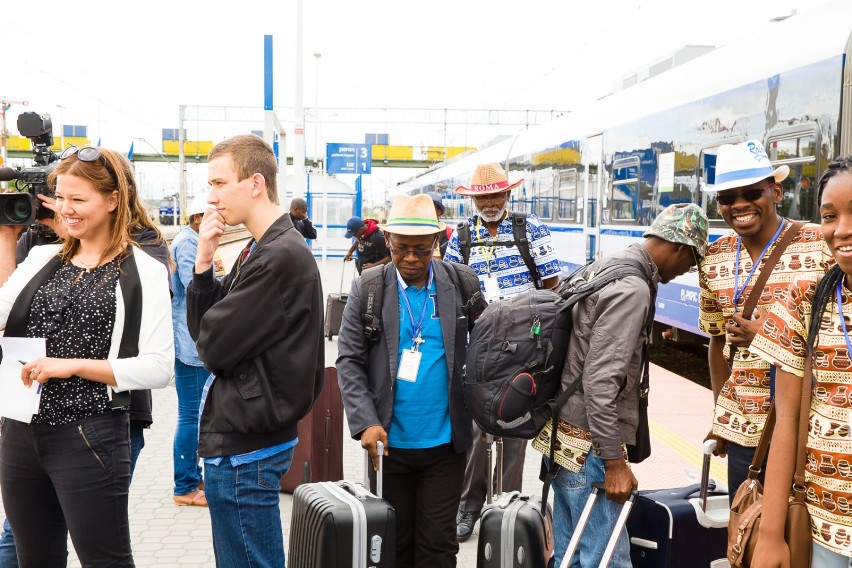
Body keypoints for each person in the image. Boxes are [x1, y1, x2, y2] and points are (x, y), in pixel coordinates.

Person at [0, 145, 174, 567]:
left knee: (105, 560)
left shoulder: (142, 270)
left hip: (90, 434)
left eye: (78, 199)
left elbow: (159, 367)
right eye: (61, 197)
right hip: (19, 431)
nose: (66, 209)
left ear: (114, 200)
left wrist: (72, 366)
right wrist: (6, 236)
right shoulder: (41, 257)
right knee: (34, 559)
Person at [187, 134, 324, 567]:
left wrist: (211, 328)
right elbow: (205, 334)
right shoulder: (260, 248)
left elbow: (212, 347)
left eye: (219, 183)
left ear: (256, 183)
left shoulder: (278, 257)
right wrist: (204, 264)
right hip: (248, 437)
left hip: (248, 447)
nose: (211, 198)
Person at [549, 203, 707, 567]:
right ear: (680, 248)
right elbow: (601, 382)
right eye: (691, 262)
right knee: (606, 558)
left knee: (570, 553)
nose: (687, 271)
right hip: (588, 445)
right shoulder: (632, 288)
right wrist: (615, 463)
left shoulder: (606, 264)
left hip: (563, 435)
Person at [337, 193, 485, 568]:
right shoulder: (369, 288)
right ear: (388, 241)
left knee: (438, 546)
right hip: (387, 447)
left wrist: (492, 409)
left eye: (422, 249)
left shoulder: (462, 283)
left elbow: (487, 351)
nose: (412, 259)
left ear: (436, 242)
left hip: (445, 445)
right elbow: (349, 361)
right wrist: (366, 422)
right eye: (402, 249)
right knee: (392, 546)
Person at [700, 140, 832, 501]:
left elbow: (841, 333)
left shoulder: (820, 244)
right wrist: (720, 416)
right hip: (745, 430)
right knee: (747, 534)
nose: (739, 204)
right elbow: (715, 340)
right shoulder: (714, 257)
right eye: (727, 197)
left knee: (800, 538)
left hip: (812, 425)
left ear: (774, 192)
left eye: (751, 193)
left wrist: (767, 334)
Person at [443, 162, 561, 542]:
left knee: (515, 429)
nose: (490, 202)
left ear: (508, 194)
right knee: (477, 429)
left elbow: (552, 286)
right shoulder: (459, 238)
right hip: (478, 348)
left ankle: (509, 505)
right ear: (473, 199)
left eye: (496, 194)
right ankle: (469, 507)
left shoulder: (531, 230)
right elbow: (448, 291)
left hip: (525, 350)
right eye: (483, 196)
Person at [749, 157, 852, 567]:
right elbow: (787, 419)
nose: (842, 230)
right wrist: (772, 534)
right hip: (827, 529)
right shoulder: (806, 300)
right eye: (830, 216)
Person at [170, 193, 215, 508]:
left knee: (195, 414)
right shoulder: (188, 244)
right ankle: (184, 486)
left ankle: (192, 476)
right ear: (198, 218)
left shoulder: (193, 241)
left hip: (193, 341)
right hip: (189, 344)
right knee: (190, 416)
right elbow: (194, 284)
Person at [427, 192, 452, 258]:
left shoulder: (450, 233)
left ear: (440, 212)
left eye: (432, 207)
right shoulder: (414, 232)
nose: (428, 211)